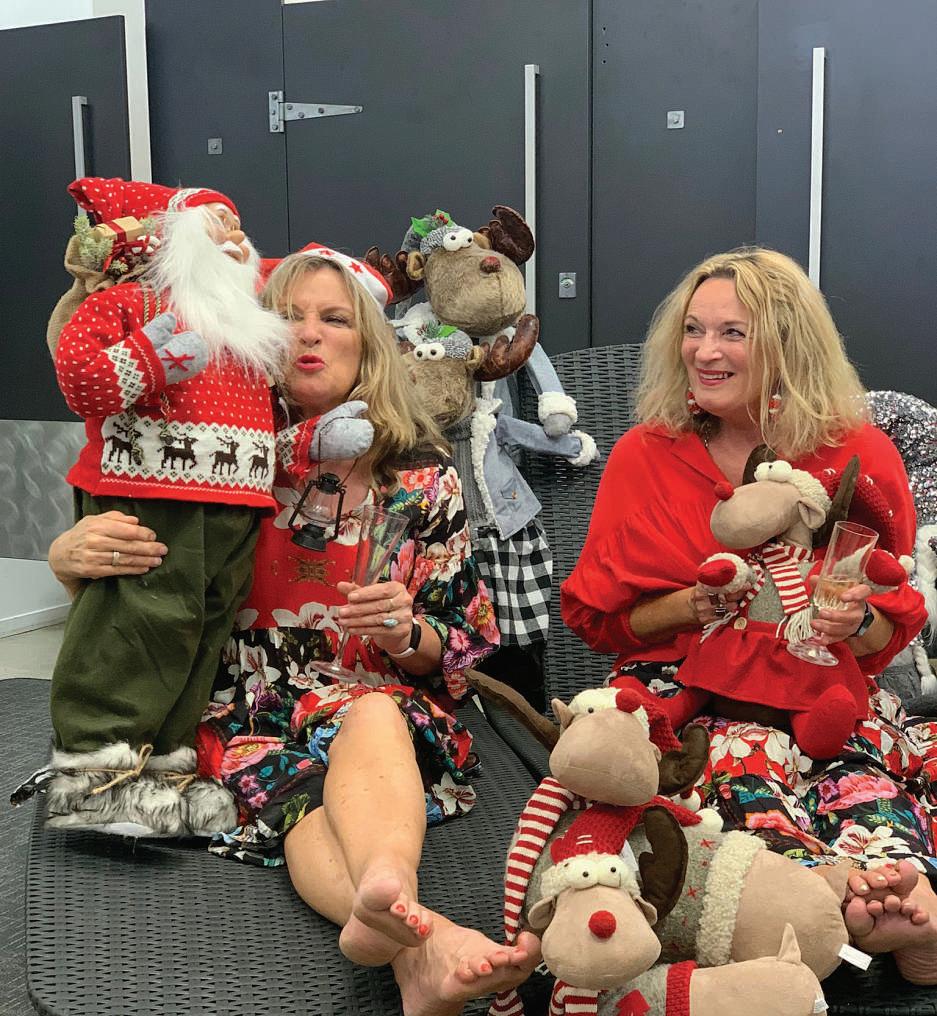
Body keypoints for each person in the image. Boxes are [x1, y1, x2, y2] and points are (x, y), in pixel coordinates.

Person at [49, 243, 540, 1014]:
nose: (308, 333)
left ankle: (395, 909)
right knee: (298, 799)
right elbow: (141, 596)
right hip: (237, 716)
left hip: (371, 706)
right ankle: (422, 943)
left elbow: (456, 643)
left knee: (367, 714)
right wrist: (67, 558)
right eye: (287, 317)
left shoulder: (422, 477)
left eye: (334, 319)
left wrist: (404, 633)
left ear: (368, 343)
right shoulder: (212, 458)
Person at [561, 247, 937, 984]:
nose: (704, 351)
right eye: (693, 330)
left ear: (787, 345)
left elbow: (890, 627)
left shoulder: (857, 452)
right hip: (686, 693)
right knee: (735, 769)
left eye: (732, 333)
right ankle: (835, 901)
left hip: (824, 686)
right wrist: (689, 606)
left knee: (860, 772)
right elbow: (597, 623)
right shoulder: (646, 453)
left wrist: (852, 622)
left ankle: (893, 893)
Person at [38, 176, 292, 836]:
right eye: (216, 226)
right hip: (150, 494)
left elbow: (322, 285)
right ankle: (94, 776)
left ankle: (166, 771)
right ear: (170, 240)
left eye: (237, 226)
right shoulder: (128, 302)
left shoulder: (247, 317)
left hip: (236, 504)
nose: (234, 238)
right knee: (137, 626)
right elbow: (81, 380)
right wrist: (151, 355)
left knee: (202, 631)